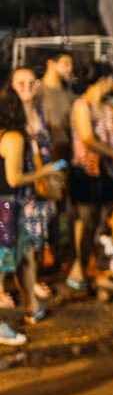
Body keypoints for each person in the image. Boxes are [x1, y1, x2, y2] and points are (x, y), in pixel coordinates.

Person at [0, 78, 63, 331]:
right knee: (4, 263)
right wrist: (44, 172)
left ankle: (34, 307)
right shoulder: (13, 137)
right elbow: (14, 178)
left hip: (10, 207)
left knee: (25, 257)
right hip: (6, 207)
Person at [68, 61, 113, 291]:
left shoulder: (106, 106)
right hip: (86, 170)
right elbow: (87, 137)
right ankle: (79, 266)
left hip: (104, 172)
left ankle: (94, 267)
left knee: (101, 219)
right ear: (103, 80)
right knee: (85, 221)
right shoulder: (81, 105)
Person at [34, 52, 74, 165]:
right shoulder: (37, 90)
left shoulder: (68, 95)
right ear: (51, 63)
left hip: (65, 152)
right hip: (44, 153)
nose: (70, 68)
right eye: (66, 63)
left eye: (71, 64)